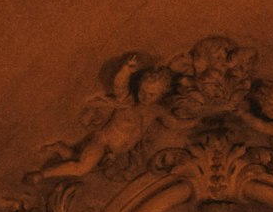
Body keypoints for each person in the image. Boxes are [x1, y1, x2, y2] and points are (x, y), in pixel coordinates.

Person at [33, 55, 173, 181]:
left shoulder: (155, 111)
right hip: (102, 142)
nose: (145, 96)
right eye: (143, 91)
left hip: (111, 153)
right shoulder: (128, 102)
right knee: (81, 168)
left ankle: (58, 147)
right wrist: (126, 70)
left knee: (75, 158)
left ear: (162, 93)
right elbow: (120, 86)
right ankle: (42, 174)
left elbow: (172, 122)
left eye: (152, 94)